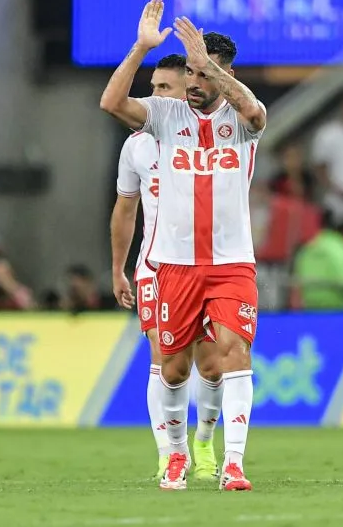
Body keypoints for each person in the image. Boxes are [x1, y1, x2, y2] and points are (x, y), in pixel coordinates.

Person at [100, 0, 267, 491]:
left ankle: (232, 462)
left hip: (232, 263)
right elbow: (111, 104)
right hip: (173, 267)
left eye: (202, 73)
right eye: (188, 72)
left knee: (232, 356)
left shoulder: (242, 123)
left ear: (223, 72)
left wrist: (214, 67)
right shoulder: (164, 115)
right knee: (172, 370)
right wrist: (140, 48)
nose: (192, 82)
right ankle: (173, 455)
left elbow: (254, 111)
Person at [110, 52, 225, 481]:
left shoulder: (211, 136)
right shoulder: (136, 146)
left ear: (185, 94)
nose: (153, 95)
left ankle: (205, 442)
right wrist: (118, 268)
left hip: (210, 265)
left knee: (212, 365)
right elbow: (125, 211)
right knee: (164, 360)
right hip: (156, 268)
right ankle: (170, 453)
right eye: (152, 87)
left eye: (163, 88)